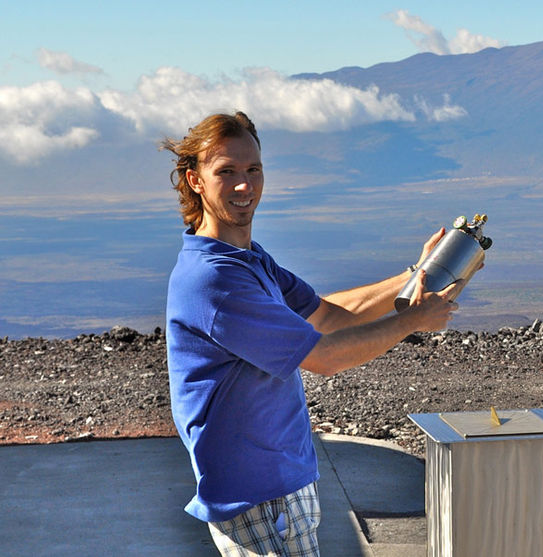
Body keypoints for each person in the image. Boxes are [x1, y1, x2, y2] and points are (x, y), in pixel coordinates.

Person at [162, 111, 466, 556]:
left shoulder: (251, 260)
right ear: (195, 181)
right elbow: (323, 356)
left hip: (286, 481)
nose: (244, 185)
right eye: (226, 172)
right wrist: (412, 320)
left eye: (253, 170)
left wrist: (419, 273)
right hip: (256, 494)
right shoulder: (213, 280)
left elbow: (328, 314)